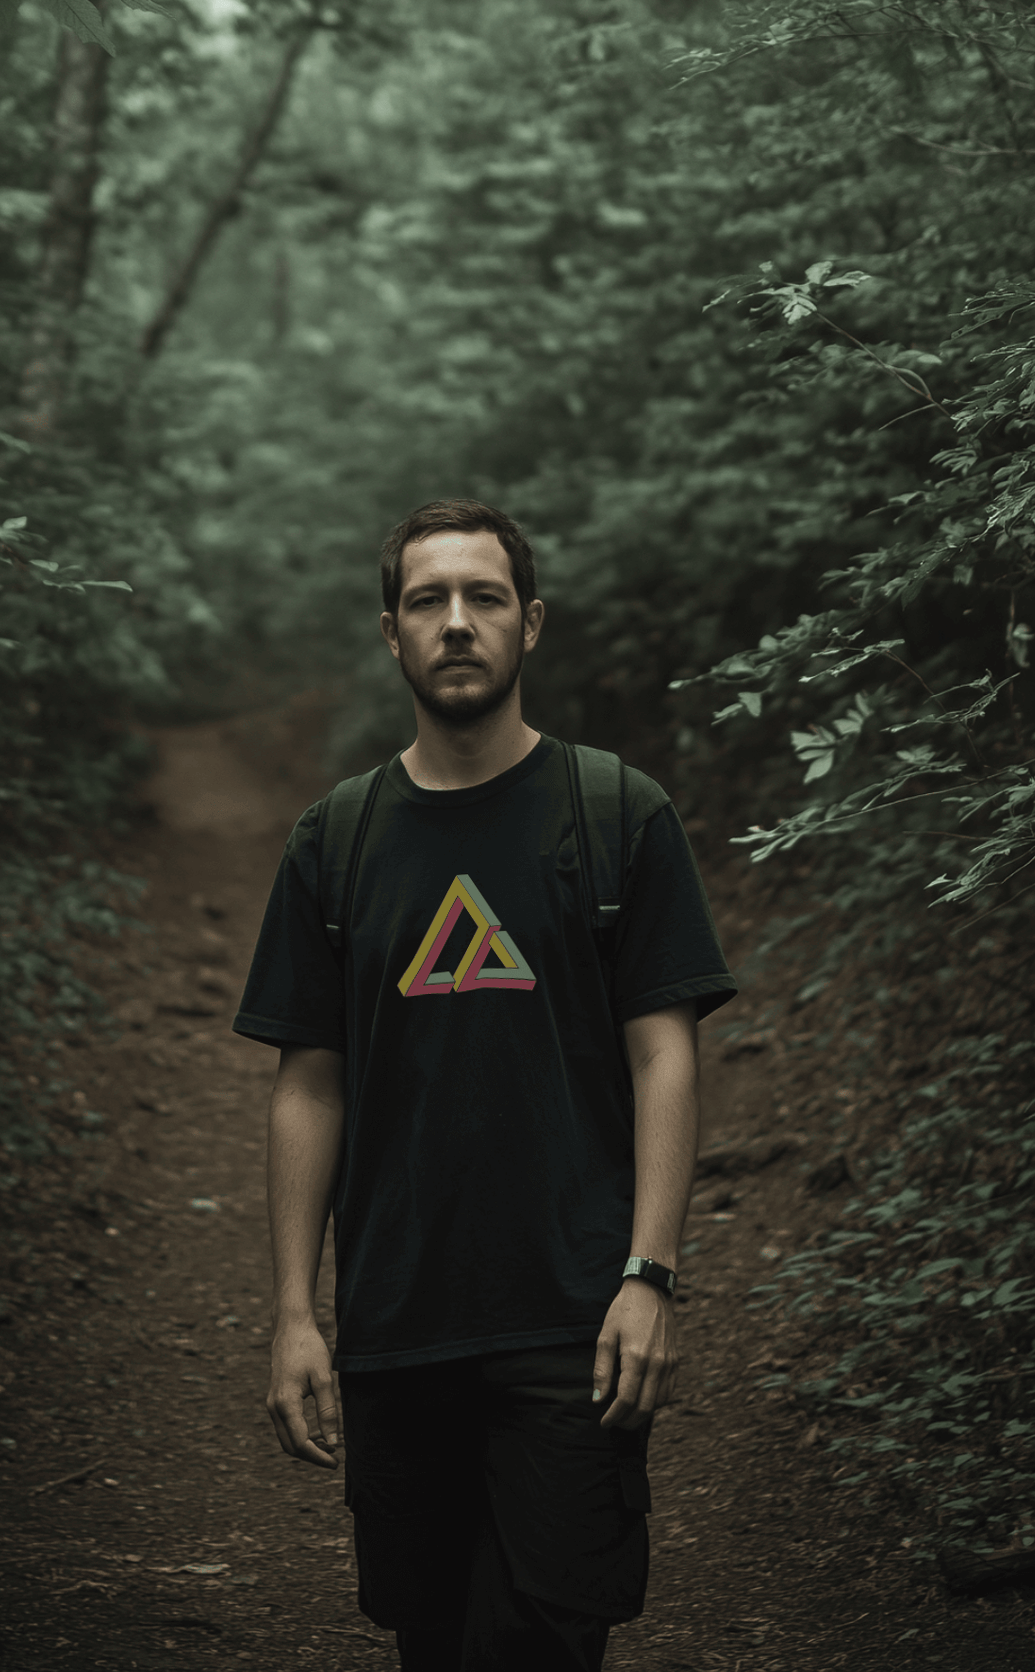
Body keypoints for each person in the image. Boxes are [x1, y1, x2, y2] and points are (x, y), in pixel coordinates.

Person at [232, 497, 736, 1671]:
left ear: (530, 622)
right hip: (396, 1328)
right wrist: (295, 1316)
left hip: (574, 1321)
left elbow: (664, 1055)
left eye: (483, 597)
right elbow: (308, 1088)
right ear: (390, 633)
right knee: (432, 1641)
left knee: (546, 1637)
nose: (455, 622)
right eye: (427, 600)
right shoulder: (334, 841)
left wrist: (649, 1277)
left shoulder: (616, 815)